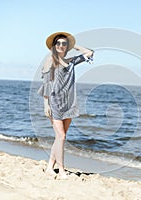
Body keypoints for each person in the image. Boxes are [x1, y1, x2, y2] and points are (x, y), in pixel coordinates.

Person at [37, 31, 94, 179]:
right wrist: (46, 104)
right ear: (54, 46)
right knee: (61, 136)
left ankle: (50, 167)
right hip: (54, 103)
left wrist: (75, 46)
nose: (61, 46)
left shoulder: (71, 62)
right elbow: (46, 84)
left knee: (60, 137)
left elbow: (90, 53)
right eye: (58, 43)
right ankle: (61, 170)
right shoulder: (50, 61)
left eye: (64, 44)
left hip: (69, 102)